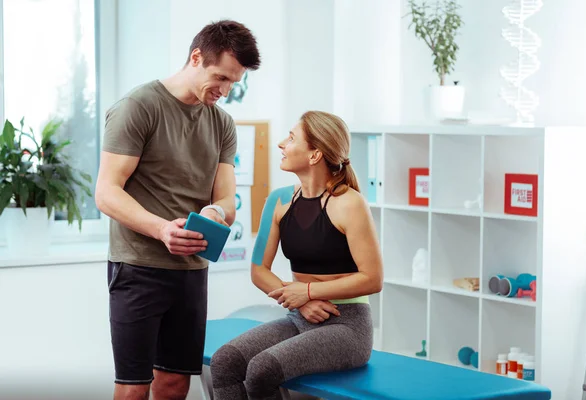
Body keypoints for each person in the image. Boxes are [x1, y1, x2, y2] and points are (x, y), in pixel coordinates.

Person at [95, 20, 260, 400]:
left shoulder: (222, 123)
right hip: (137, 267)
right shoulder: (137, 108)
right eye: (220, 77)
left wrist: (215, 215)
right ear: (196, 57)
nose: (225, 90)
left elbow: (226, 201)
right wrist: (161, 230)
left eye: (234, 82)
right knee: (134, 386)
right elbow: (106, 193)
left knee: (174, 383)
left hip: (191, 271)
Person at [210, 110, 384, 400]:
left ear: (315, 154)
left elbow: (372, 279)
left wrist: (308, 291)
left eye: (291, 138)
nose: (281, 144)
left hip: (347, 325)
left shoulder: (350, 204)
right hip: (299, 316)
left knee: (262, 369)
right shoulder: (278, 200)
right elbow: (258, 269)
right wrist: (302, 302)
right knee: (225, 361)